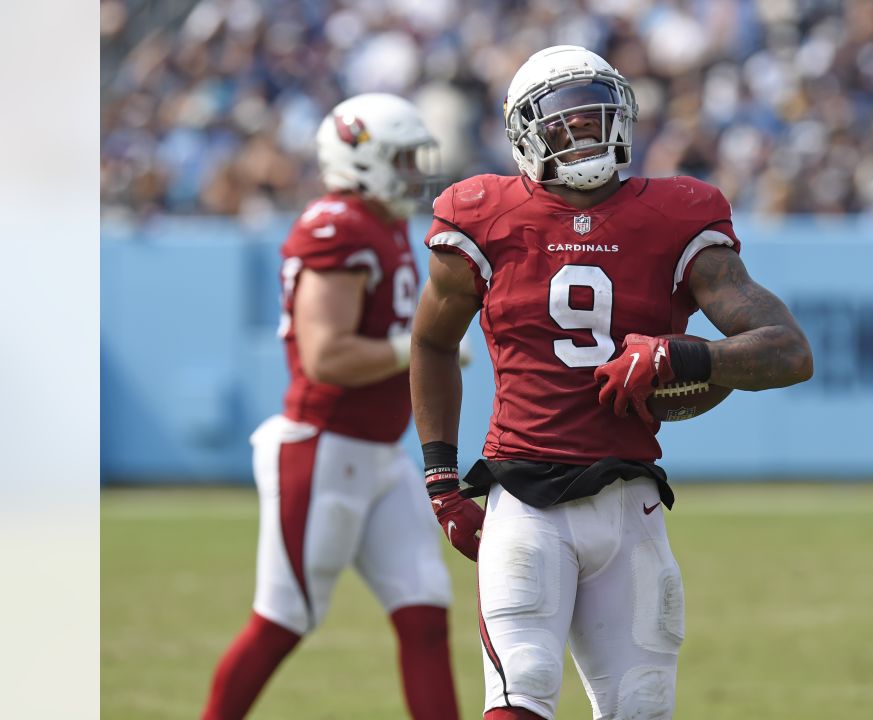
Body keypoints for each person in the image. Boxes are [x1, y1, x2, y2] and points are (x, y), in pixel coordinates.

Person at [408, 45, 813, 720]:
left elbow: (790, 352)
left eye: (596, 117)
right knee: (521, 693)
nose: (585, 134)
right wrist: (442, 481)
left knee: (642, 707)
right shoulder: (481, 213)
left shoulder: (678, 213)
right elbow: (430, 342)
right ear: (524, 135)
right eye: (564, 123)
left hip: (631, 502)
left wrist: (684, 357)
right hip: (525, 500)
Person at [202, 93, 461, 720]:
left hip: (378, 455)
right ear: (361, 158)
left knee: (425, 612)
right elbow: (327, 356)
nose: (410, 172)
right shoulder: (337, 224)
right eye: (399, 158)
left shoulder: (383, 224)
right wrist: (414, 348)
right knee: (282, 621)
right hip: (324, 449)